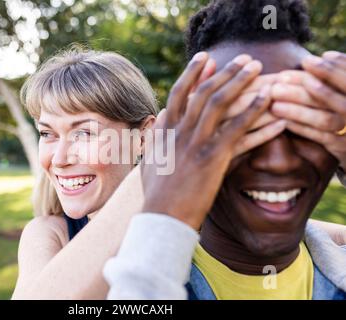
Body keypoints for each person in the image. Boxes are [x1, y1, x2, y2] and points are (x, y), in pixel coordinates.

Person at [104, 0, 346, 300]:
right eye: (239, 126)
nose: (278, 161)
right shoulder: (111, 287)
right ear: (176, 146)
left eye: (300, 124)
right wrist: (163, 222)